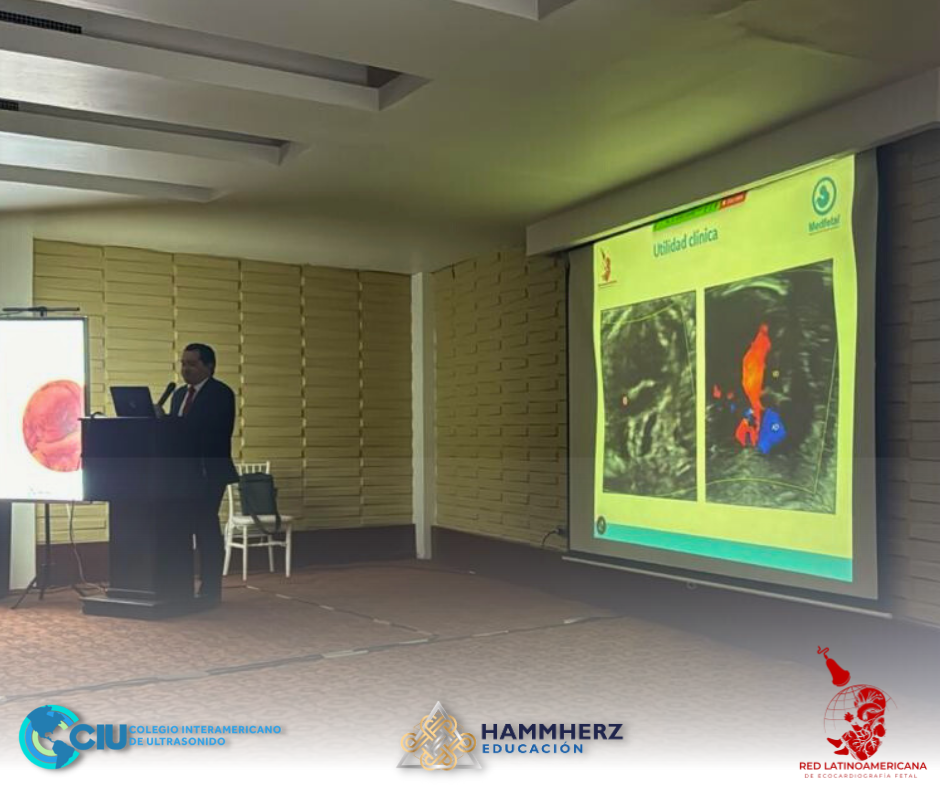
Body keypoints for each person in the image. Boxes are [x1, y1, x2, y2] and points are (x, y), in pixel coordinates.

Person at [166, 343, 238, 607]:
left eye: (192, 364)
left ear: (209, 366)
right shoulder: (178, 395)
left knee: (205, 527)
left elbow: (213, 431)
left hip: (208, 471)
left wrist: (176, 427)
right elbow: (175, 431)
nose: (186, 369)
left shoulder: (221, 393)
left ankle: (210, 589)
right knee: (181, 528)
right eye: (183, 363)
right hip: (182, 474)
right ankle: (180, 586)